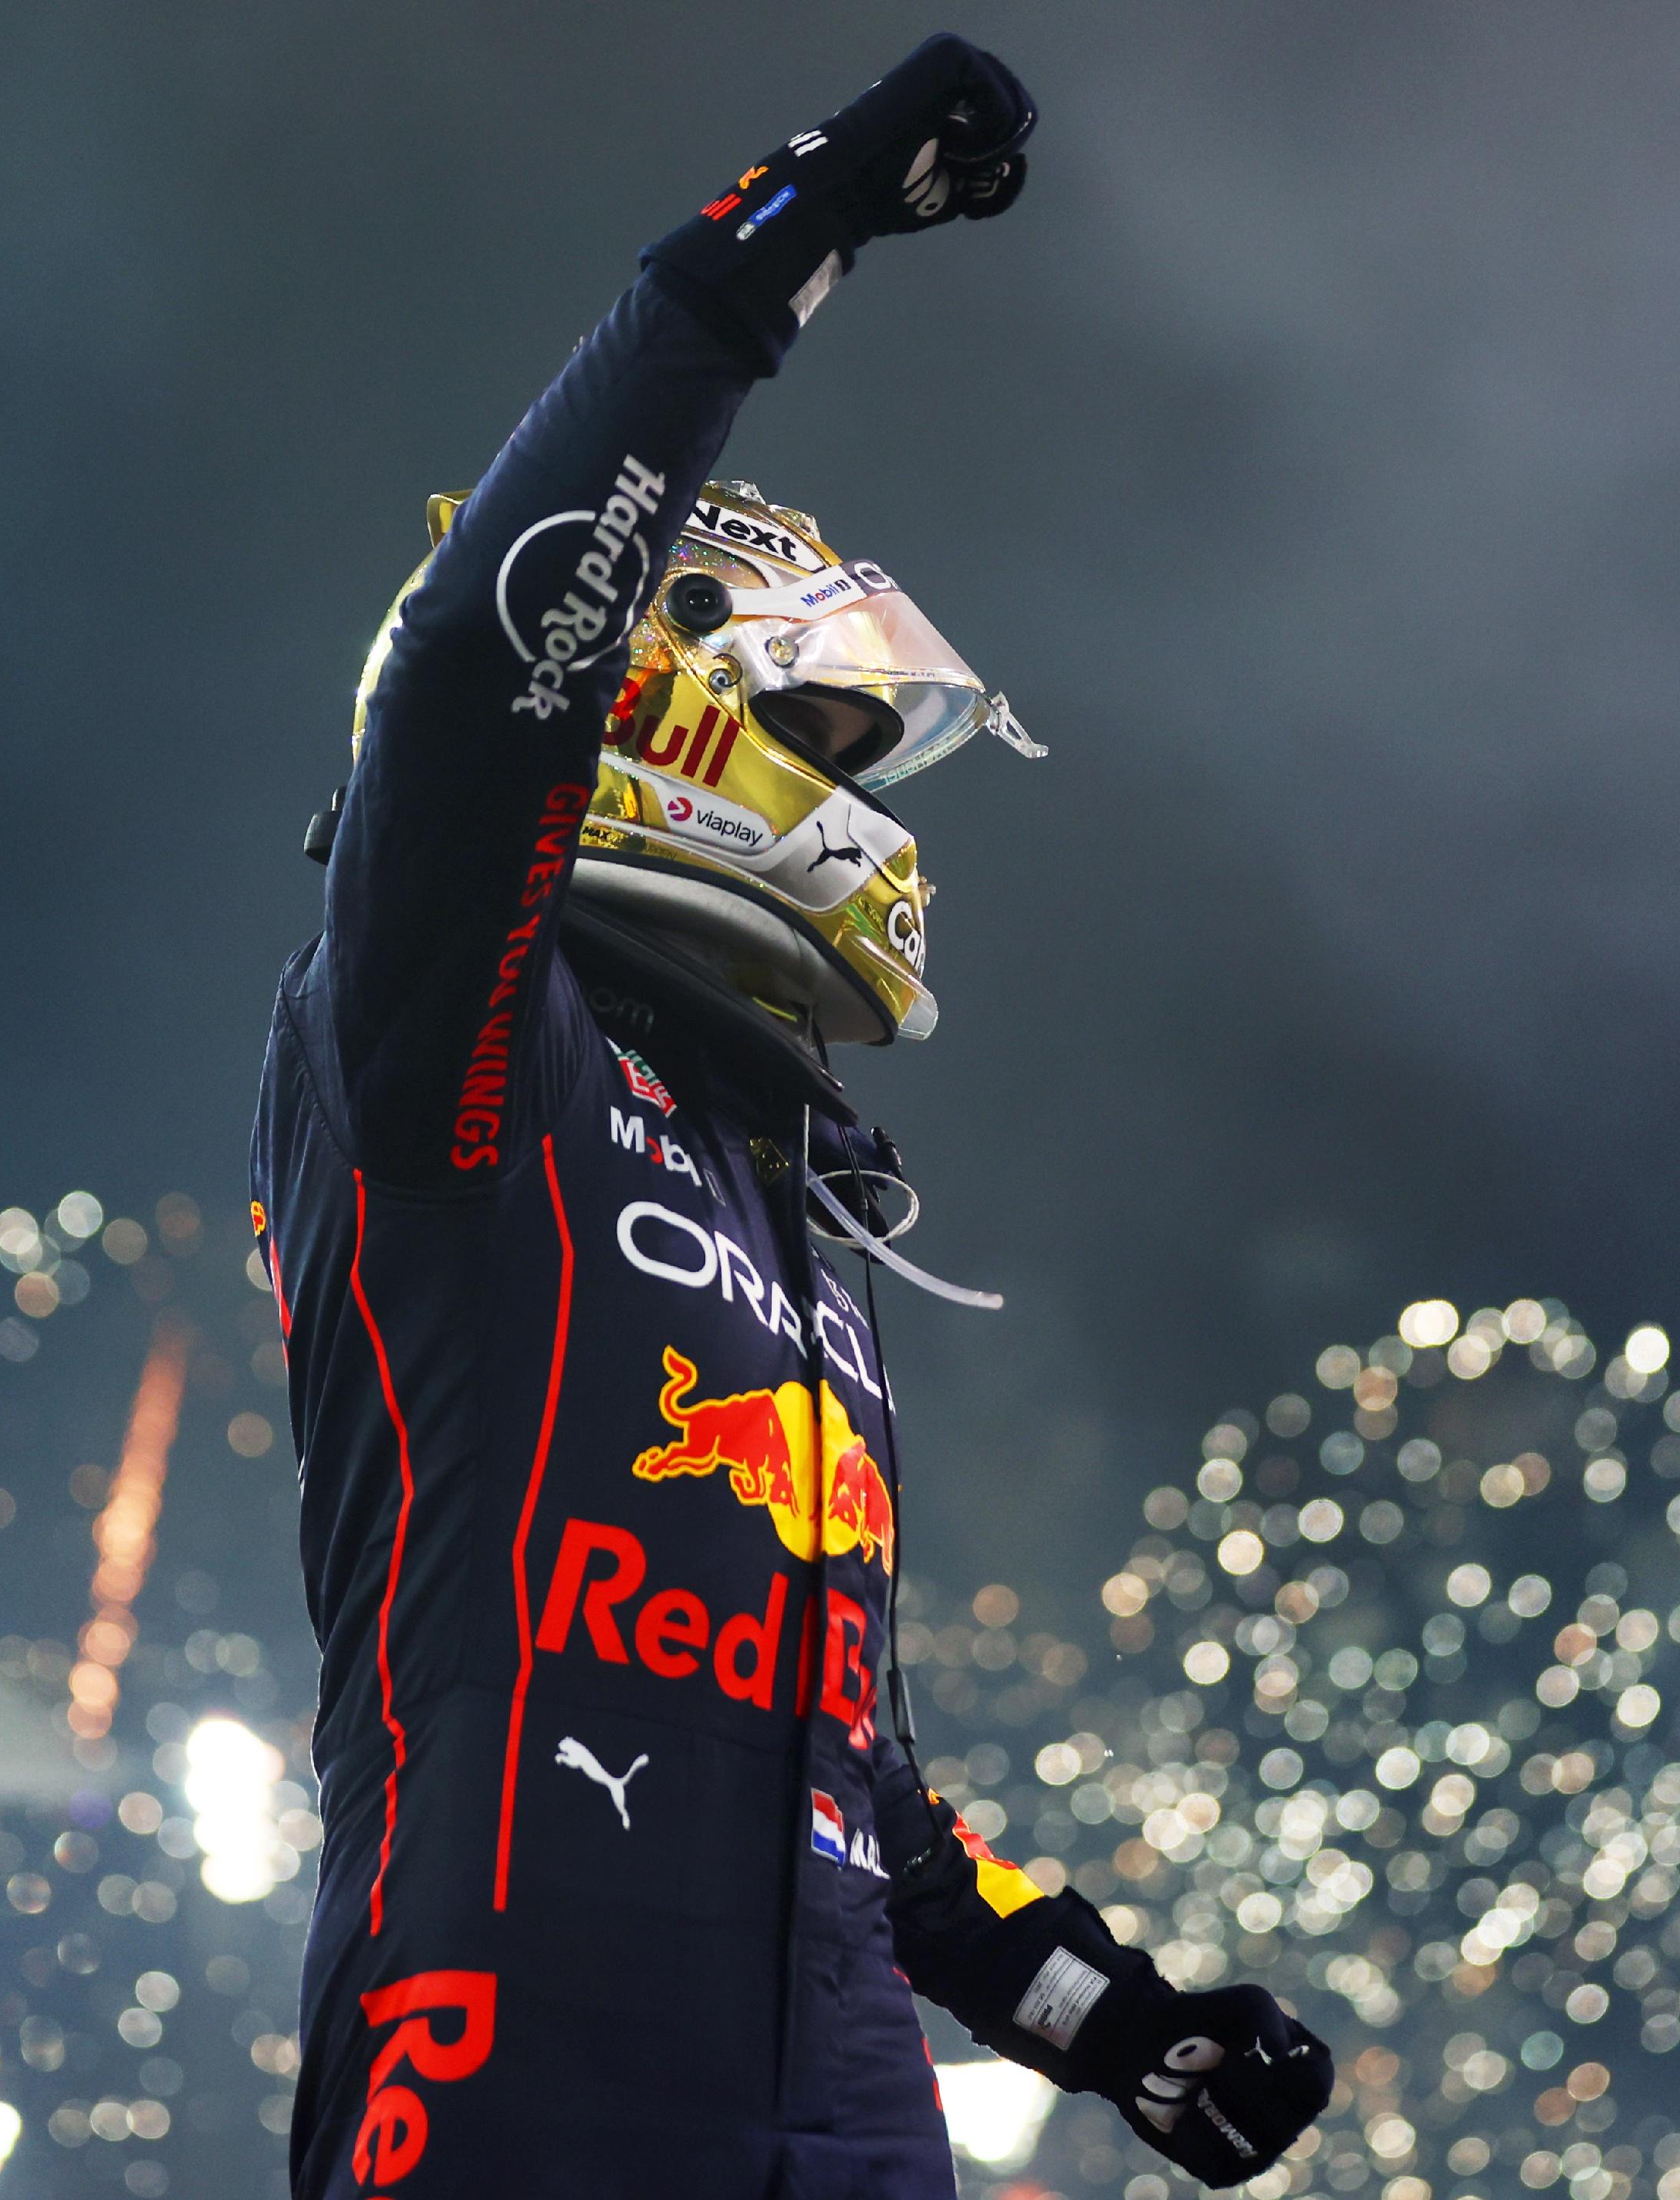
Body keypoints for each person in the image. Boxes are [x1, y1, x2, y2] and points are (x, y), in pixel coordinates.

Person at [251, 36, 1332, 2195]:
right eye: (813, 737)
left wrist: (1107, 2015)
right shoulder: (453, 1036)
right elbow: (483, 677)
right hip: (505, 2060)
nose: (842, 805)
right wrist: (786, 235)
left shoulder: (790, 1203)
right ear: (647, 702)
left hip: (840, 2103)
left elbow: (861, 1786)